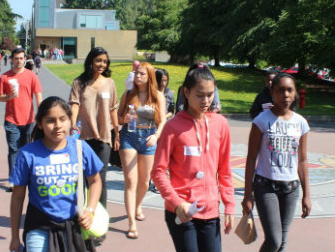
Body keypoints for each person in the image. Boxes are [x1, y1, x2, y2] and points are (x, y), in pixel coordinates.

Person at [151, 65, 235, 252]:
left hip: (210, 211)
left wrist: (229, 205)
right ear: (187, 92)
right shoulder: (172, 127)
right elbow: (158, 172)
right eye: (200, 95)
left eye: (210, 94)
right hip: (181, 211)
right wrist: (176, 202)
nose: (206, 100)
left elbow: (225, 170)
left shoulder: (220, 125)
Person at [9, 96, 103, 252]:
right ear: (40, 124)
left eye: (63, 119)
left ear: (70, 120)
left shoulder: (80, 148)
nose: (58, 125)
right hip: (39, 226)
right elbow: (17, 196)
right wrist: (14, 236)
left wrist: (90, 210)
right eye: (50, 120)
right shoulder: (27, 154)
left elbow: (95, 181)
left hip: (73, 226)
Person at [242, 73, 311, 252]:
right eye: (281, 90)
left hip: (291, 188)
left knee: (283, 241)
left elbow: (302, 161)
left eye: (290, 90)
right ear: (272, 92)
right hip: (266, 186)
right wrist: (247, 194)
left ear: (295, 93)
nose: (285, 95)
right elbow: (251, 159)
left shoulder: (301, 123)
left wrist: (307, 195)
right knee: (274, 240)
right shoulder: (261, 121)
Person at [117, 62, 166, 239]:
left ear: (149, 77)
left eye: (142, 74)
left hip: (148, 138)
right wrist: (124, 117)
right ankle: (131, 223)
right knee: (131, 181)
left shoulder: (158, 96)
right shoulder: (129, 94)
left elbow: (162, 122)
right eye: (136, 74)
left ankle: (137, 205)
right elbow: (118, 118)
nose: (137, 77)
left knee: (144, 182)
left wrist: (156, 136)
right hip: (128, 138)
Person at [69, 47, 120, 216]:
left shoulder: (110, 83)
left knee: (100, 179)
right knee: (83, 179)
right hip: (83, 137)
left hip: (104, 137)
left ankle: (100, 219)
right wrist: (72, 123)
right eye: (98, 60)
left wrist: (117, 133)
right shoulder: (79, 83)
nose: (102, 64)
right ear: (91, 61)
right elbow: (74, 104)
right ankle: (82, 215)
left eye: (105, 61)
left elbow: (113, 109)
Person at [0, 47, 43, 192]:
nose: (18, 61)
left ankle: (27, 176)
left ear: (25, 59)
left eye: (21, 58)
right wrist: (8, 97)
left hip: (29, 120)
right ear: (11, 59)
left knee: (28, 150)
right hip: (11, 120)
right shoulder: (5, 77)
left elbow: (38, 95)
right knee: (14, 150)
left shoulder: (31, 76)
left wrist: (41, 115)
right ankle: (13, 180)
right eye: (16, 58)